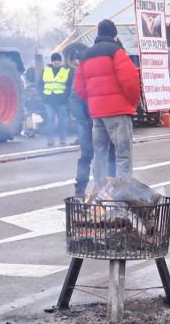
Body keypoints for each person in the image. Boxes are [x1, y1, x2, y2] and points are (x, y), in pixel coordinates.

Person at [74, 19, 141, 184]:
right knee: (122, 152)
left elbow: (79, 86)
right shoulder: (116, 51)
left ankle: (99, 190)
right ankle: (123, 189)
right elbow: (131, 80)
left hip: (97, 114)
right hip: (118, 112)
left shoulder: (87, 55)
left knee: (100, 153)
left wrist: (93, 101)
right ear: (115, 35)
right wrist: (132, 103)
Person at [69, 54, 115, 196]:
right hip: (88, 122)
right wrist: (83, 120)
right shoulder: (83, 75)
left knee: (110, 155)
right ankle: (80, 191)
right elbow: (75, 99)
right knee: (87, 155)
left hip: (103, 121)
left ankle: (109, 189)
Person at [40, 52, 72, 147]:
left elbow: (69, 85)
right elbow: (40, 84)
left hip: (61, 100)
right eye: (54, 60)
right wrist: (43, 95)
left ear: (61, 61)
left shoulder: (66, 71)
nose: (56, 62)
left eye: (58, 60)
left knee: (62, 120)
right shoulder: (45, 70)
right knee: (50, 119)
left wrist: (65, 96)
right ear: (52, 61)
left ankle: (62, 139)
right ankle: (50, 140)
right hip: (49, 99)